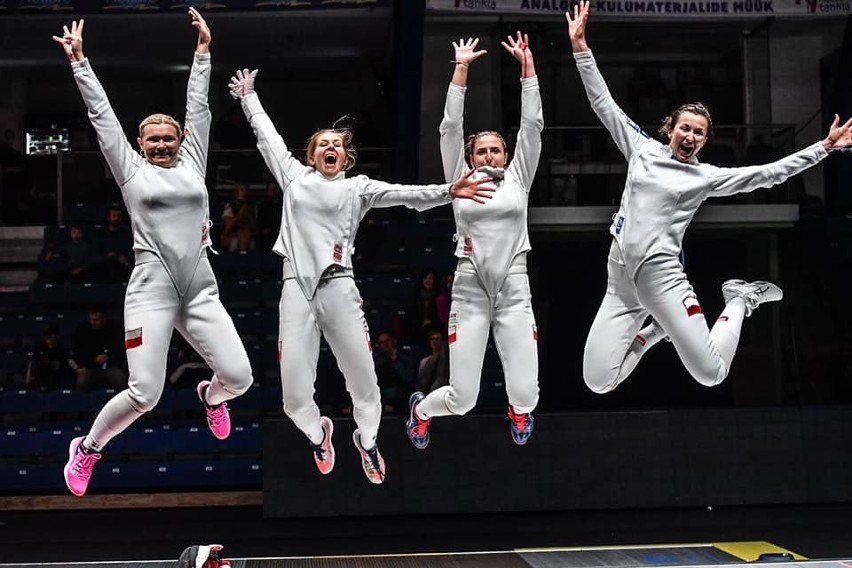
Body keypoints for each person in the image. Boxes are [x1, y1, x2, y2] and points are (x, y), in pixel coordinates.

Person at [564, 1, 852, 395]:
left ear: (705, 139)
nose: (691, 137)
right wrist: (580, 47)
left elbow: (767, 174)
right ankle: (652, 333)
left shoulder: (704, 176)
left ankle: (739, 299)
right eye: (685, 128)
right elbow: (604, 104)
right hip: (621, 283)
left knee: (711, 373)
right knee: (598, 381)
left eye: (700, 133)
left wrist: (823, 148)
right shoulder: (641, 148)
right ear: (671, 128)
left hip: (662, 281)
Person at [228, 67, 495, 484]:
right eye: (323, 145)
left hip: (339, 287)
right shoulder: (294, 177)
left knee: (366, 394)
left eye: (337, 145)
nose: (330, 148)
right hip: (295, 287)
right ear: (311, 155)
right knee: (295, 403)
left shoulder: (359, 188)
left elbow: (407, 195)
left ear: (346, 157)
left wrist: (447, 191)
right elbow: (268, 138)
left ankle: (367, 443)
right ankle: (320, 437)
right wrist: (249, 97)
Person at [55, 11, 254, 498]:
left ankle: (211, 397)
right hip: (152, 290)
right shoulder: (131, 172)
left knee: (239, 378)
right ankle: (87, 449)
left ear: (180, 141)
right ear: (141, 145)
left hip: (200, 285)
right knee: (146, 393)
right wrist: (81, 63)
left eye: (169, 137)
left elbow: (198, 107)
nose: (163, 143)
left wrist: (203, 51)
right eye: (153, 139)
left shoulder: (193, 162)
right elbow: (103, 118)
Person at [406, 32, 543, 450]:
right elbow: (450, 127)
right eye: (481, 151)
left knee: (527, 395)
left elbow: (533, 125)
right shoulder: (459, 179)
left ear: (507, 155)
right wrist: (461, 69)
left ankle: (517, 413)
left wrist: (528, 70)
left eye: (496, 150)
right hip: (469, 291)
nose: (488, 157)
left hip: (515, 290)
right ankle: (421, 411)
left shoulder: (519, 178)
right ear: (470, 157)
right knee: (462, 399)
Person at [70, 308, 128, 391]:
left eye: (96, 320)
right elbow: (79, 352)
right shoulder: (84, 331)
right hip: (91, 367)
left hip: (112, 366)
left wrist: (109, 356)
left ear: (103, 319)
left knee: (120, 378)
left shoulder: (115, 329)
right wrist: (93, 359)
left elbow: (121, 349)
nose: (93, 322)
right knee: (82, 380)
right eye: (91, 320)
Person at [219, 183, 257, 252]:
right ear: (236, 192)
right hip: (232, 235)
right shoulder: (229, 206)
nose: (244, 192)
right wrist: (240, 214)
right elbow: (228, 224)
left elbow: (253, 226)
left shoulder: (251, 207)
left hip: (247, 235)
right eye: (241, 190)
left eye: (246, 190)